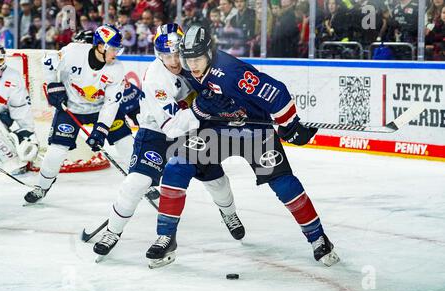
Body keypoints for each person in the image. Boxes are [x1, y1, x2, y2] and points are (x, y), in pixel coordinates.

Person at [146, 24, 340, 268]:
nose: (192, 65)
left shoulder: (231, 71)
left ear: (209, 52)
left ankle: (318, 238)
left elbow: (276, 92)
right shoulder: (184, 67)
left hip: (254, 132)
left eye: (197, 58)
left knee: (284, 183)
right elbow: (169, 89)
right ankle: (165, 236)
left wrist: (290, 124)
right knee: (177, 165)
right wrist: (197, 108)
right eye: (188, 59)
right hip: (216, 130)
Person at [92, 24, 245, 263]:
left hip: (195, 130)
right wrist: (203, 106)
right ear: (157, 54)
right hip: (157, 132)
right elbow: (172, 126)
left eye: (177, 54)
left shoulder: (196, 61)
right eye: (166, 55)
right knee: (136, 183)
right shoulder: (155, 78)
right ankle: (113, 231)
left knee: (216, 181)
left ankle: (230, 214)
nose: (173, 61)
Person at [23, 24, 132, 204]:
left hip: (100, 110)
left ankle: (143, 184)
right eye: (113, 48)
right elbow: (48, 62)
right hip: (71, 108)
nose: (116, 53)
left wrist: (101, 130)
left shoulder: (117, 69)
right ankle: (42, 186)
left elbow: (111, 104)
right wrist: (53, 86)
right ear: (100, 46)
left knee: (127, 143)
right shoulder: (73, 52)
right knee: (55, 152)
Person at [0, 43, 38, 174]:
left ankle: (9, 161)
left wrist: (28, 131)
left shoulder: (13, 77)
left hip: (1, 116)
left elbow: (20, 106)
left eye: (0, 59)